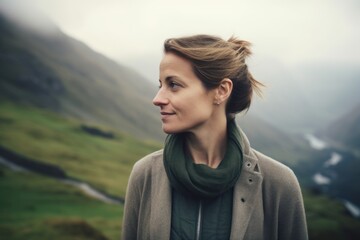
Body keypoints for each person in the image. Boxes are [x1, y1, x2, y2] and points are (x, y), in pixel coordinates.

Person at [121, 34, 308, 240]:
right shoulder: (145, 174)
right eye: (161, 85)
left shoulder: (279, 183)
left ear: (221, 91)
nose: (157, 99)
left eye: (173, 84)